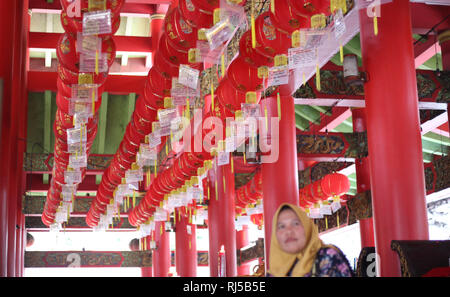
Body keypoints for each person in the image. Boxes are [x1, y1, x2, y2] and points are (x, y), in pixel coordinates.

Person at [267, 203, 354, 277]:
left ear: (307, 228)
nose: (289, 231)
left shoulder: (327, 257)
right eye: (281, 226)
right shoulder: (275, 270)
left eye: (295, 223)